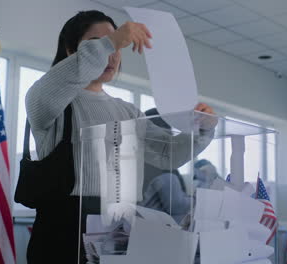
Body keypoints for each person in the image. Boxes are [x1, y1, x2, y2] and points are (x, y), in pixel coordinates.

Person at [25, 10, 216, 263]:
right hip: (63, 230)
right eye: (99, 44)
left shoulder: (129, 112)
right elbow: (51, 87)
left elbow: (168, 153)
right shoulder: (48, 98)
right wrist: (112, 40)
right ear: (71, 50)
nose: (112, 54)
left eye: (117, 46)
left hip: (120, 227)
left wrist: (203, 127)